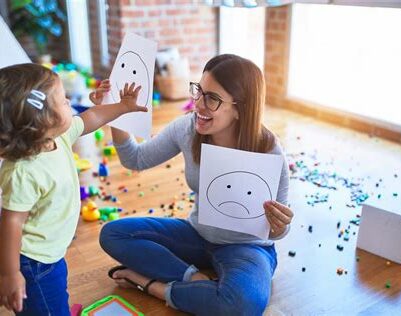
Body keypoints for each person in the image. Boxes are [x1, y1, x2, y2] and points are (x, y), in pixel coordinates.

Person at [98, 54, 294, 315]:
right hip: (197, 235)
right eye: (199, 91)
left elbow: (276, 232)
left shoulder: (269, 150)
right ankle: (193, 280)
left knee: (243, 305)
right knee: (112, 234)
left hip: (247, 248)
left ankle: (151, 285)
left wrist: (281, 225)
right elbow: (135, 158)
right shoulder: (188, 129)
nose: (198, 104)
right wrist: (117, 112)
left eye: (212, 98)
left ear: (240, 107)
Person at [0, 63, 144, 316]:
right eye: (62, 100)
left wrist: (123, 106)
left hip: (51, 252)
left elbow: (92, 118)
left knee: (53, 295)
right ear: (42, 121)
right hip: (33, 261)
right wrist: (10, 274)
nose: (68, 101)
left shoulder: (58, 138)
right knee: (45, 305)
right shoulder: (22, 171)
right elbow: (10, 222)